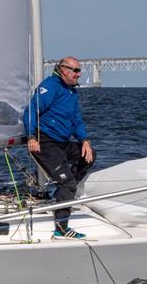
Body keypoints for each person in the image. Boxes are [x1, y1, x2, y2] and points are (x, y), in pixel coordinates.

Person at [23, 56, 95, 239]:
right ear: (63, 69)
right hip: (45, 142)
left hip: (62, 143)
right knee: (67, 182)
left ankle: (64, 193)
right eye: (75, 70)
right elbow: (31, 111)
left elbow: (76, 120)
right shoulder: (50, 86)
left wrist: (85, 140)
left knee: (89, 155)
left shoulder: (71, 92)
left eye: (80, 70)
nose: (79, 74)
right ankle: (61, 229)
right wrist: (31, 137)